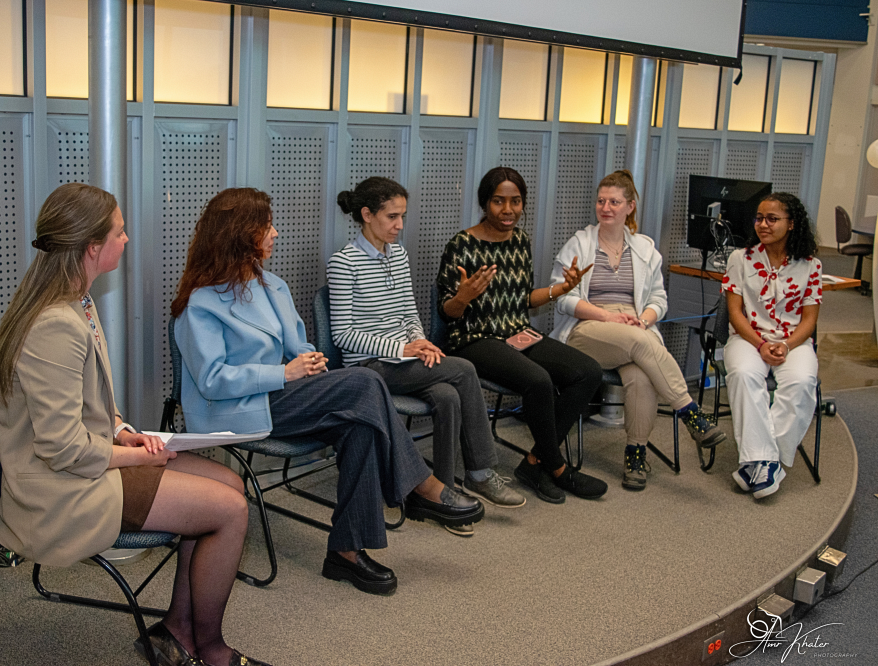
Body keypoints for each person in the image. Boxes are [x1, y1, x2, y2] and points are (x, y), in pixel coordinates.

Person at [0, 183, 270, 666]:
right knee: (229, 510)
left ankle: (176, 634)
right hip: (61, 488)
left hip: (83, 464)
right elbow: (62, 449)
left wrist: (121, 432)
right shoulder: (56, 324)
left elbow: (91, 406)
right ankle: (211, 651)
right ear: (93, 247)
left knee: (229, 482)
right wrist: (135, 458)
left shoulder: (78, 303)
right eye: (119, 231)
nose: (127, 239)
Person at [172, 187, 483, 595]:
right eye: (267, 226)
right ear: (240, 234)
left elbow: (297, 344)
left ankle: (346, 552)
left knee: (362, 425)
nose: (275, 233)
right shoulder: (201, 303)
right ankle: (419, 485)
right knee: (365, 382)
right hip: (238, 409)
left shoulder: (272, 286)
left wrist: (310, 359)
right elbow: (212, 380)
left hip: (285, 395)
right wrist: (283, 373)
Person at [328, 177, 525, 537]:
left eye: (402, 216)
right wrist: (403, 349)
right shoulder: (344, 263)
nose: (399, 225)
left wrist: (421, 342)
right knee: (463, 369)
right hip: (368, 368)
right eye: (391, 217)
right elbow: (343, 335)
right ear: (367, 215)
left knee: (447, 395)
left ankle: (442, 494)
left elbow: (408, 313)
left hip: (405, 360)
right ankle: (481, 472)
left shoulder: (399, 254)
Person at [437, 166, 609, 504]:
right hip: (473, 338)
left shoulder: (520, 241)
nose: (508, 210)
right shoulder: (461, 245)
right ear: (485, 203)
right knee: (538, 380)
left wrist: (562, 289)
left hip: (517, 331)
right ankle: (556, 466)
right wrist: (463, 298)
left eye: (515, 201)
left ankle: (534, 462)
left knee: (588, 372)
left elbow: (524, 299)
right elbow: (448, 313)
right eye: (498, 201)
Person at [551, 169, 727, 491]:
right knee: (639, 341)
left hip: (634, 327)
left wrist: (644, 320)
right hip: (588, 328)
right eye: (601, 201)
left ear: (630, 207)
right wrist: (608, 318)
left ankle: (635, 454)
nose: (605, 207)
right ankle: (690, 412)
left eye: (614, 202)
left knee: (642, 375)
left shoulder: (645, 249)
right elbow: (563, 298)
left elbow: (659, 299)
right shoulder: (580, 243)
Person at [722, 192, 821, 499]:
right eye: (759, 218)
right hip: (748, 338)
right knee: (743, 375)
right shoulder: (740, 259)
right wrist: (761, 344)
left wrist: (787, 345)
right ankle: (767, 463)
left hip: (794, 341)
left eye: (772, 219)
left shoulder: (811, 265)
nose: (763, 224)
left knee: (802, 381)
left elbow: (809, 320)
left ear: (791, 224)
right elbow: (735, 313)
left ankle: (760, 462)